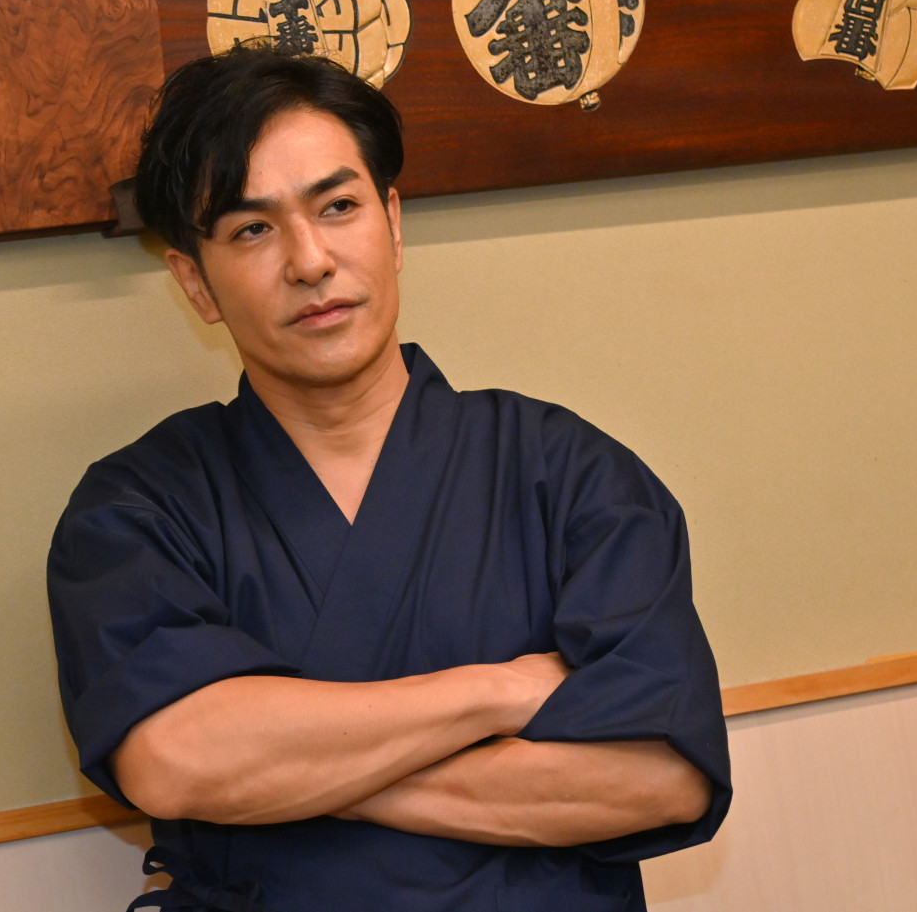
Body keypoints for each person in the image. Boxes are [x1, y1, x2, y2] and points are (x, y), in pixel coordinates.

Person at [47, 45, 731, 912]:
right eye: (252, 229)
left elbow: (661, 777)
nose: (309, 261)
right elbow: (174, 761)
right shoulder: (139, 509)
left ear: (394, 224)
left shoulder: (565, 473)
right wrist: (502, 689)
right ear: (196, 282)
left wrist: (285, 780)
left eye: (338, 206)